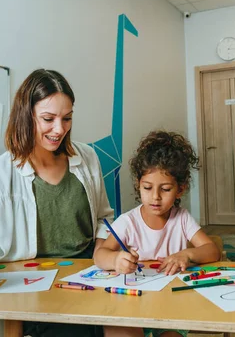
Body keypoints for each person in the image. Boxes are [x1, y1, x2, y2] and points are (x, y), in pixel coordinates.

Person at [0, 69, 113, 337]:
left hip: (89, 278)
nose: (60, 129)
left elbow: (104, 218)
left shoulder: (87, 157)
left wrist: (104, 251)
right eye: (48, 119)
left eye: (67, 118)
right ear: (26, 116)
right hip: (32, 288)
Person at [94, 130, 221, 337]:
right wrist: (116, 259)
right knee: (116, 329)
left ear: (180, 189)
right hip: (131, 302)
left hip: (170, 305)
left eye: (166, 189)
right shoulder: (128, 221)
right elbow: (99, 255)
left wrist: (187, 255)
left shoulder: (181, 218)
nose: (155, 197)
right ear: (138, 184)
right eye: (147, 187)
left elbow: (212, 250)